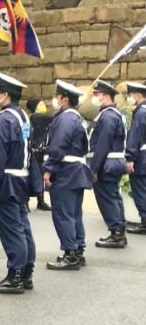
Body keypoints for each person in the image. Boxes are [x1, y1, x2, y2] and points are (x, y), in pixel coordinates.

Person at [0, 73, 39, 294]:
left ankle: (15, 274)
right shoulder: (22, 116)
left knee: (12, 230)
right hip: (21, 178)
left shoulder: (4, 119)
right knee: (22, 227)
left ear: (4, 94)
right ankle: (26, 272)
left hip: (6, 180)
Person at [44, 80, 93, 271]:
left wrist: (49, 168)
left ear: (65, 99)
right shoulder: (77, 117)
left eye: (57, 97)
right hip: (76, 170)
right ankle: (77, 250)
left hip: (66, 171)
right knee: (74, 214)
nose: (55, 100)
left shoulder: (65, 119)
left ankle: (70, 253)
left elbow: (58, 146)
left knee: (63, 213)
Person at [87, 80, 128, 249]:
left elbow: (103, 144)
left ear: (105, 96)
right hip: (114, 161)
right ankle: (119, 230)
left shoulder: (108, 116)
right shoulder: (113, 114)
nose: (94, 98)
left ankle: (116, 232)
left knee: (107, 197)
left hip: (107, 162)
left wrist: (95, 168)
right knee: (113, 196)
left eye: (97, 95)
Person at [126, 82, 146, 235]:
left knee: (140, 189)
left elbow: (135, 136)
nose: (129, 98)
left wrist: (130, 157)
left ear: (138, 95)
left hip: (141, 157)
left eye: (130, 94)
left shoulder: (140, 113)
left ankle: (144, 221)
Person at [27, 98, 52, 211]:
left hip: (41, 151)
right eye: (40, 104)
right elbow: (52, 118)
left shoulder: (42, 119)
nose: (44, 105)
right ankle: (26, 201)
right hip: (34, 151)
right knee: (31, 176)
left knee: (40, 176)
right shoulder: (35, 117)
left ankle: (40, 201)